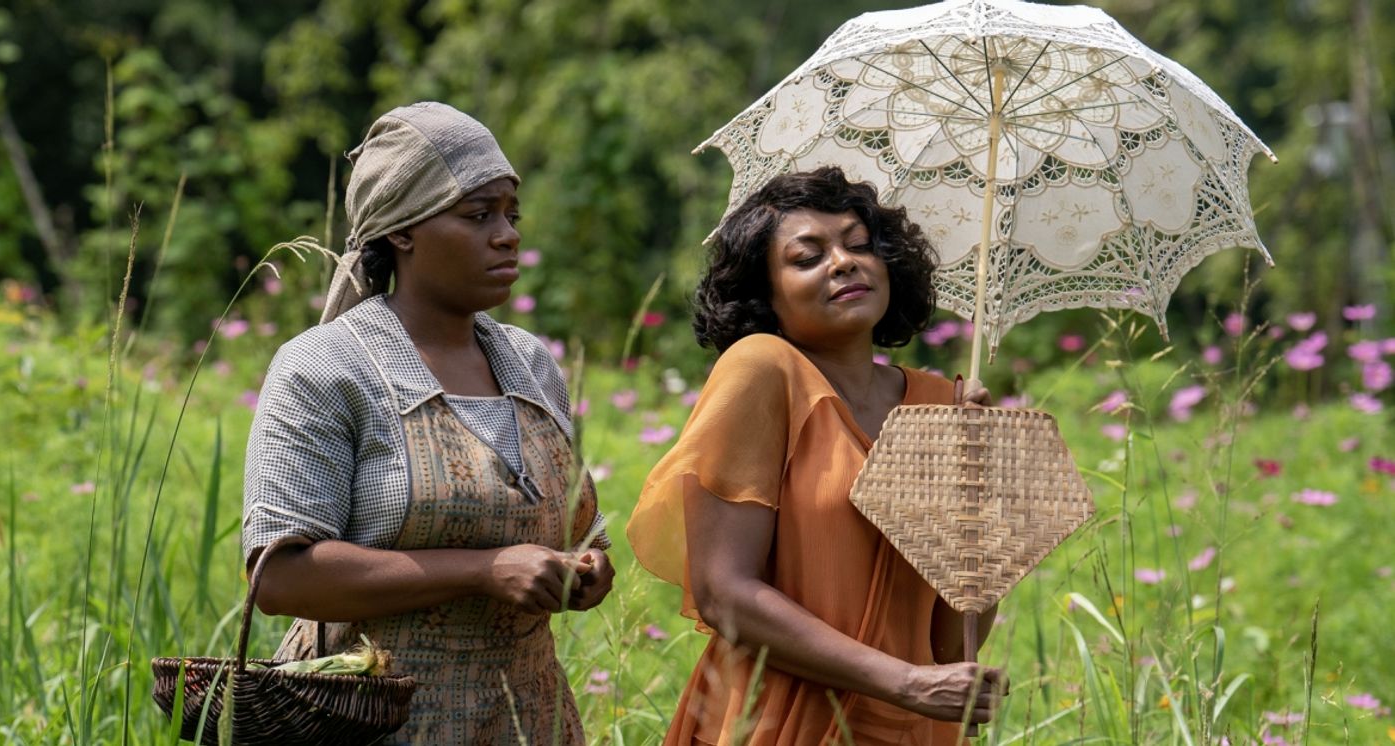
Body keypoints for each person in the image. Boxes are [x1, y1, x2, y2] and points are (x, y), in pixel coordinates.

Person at [241, 101, 613, 745]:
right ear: (402, 231)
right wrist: (481, 570)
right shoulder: (326, 367)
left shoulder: (531, 366)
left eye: (511, 214)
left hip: (526, 722)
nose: (507, 235)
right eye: (478, 215)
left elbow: (581, 530)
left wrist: (587, 568)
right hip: (369, 723)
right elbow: (279, 577)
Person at [627, 167, 1005, 745]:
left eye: (860, 245)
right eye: (808, 257)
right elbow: (723, 592)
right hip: (778, 721)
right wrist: (903, 681)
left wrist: (983, 490)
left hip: (909, 728)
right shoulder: (762, 370)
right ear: (766, 295)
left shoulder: (940, 405)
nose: (844, 262)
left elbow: (949, 643)